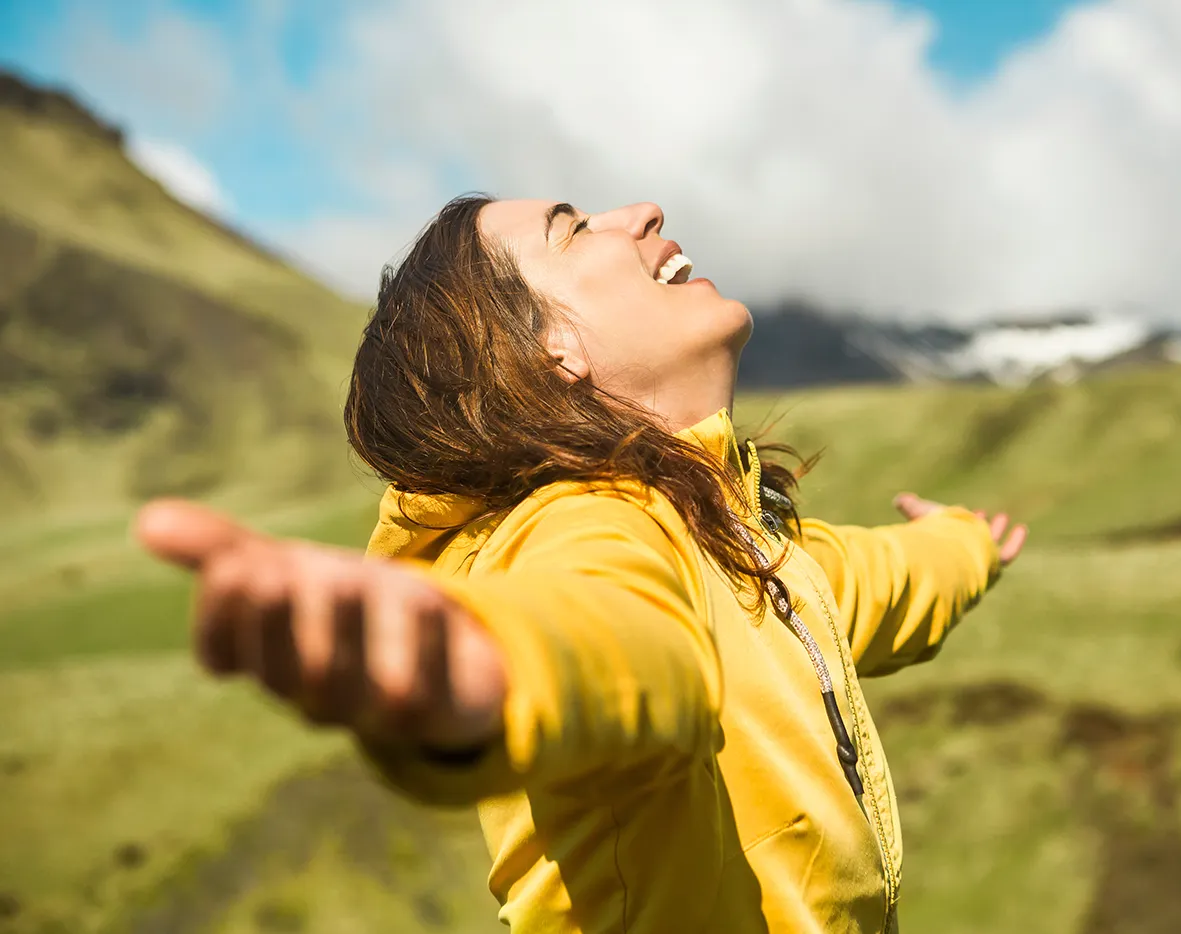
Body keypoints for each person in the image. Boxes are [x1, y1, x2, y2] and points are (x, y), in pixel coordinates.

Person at [137, 196, 1027, 933]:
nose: (641, 212)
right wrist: (484, 671)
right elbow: (608, 638)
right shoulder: (592, 523)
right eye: (570, 228)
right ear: (545, 349)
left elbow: (872, 581)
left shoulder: (739, 540)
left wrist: (966, 542)